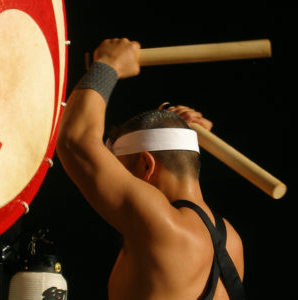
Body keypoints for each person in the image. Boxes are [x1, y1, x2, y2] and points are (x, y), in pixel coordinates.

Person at [56, 38, 245, 300]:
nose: (116, 180)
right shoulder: (230, 240)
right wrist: (172, 124)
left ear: (147, 164)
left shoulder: (163, 224)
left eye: (121, 169)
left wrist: (107, 65)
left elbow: (75, 141)